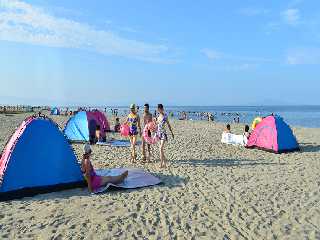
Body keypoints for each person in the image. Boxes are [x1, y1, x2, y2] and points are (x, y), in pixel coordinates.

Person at [156, 104, 174, 168]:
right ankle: (164, 162)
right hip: (158, 133)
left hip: (163, 134)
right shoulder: (158, 116)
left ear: (162, 109)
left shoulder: (165, 116)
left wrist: (171, 133)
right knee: (160, 150)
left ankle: (161, 164)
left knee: (161, 148)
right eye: (158, 109)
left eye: (159, 109)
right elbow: (157, 125)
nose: (158, 110)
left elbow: (168, 124)